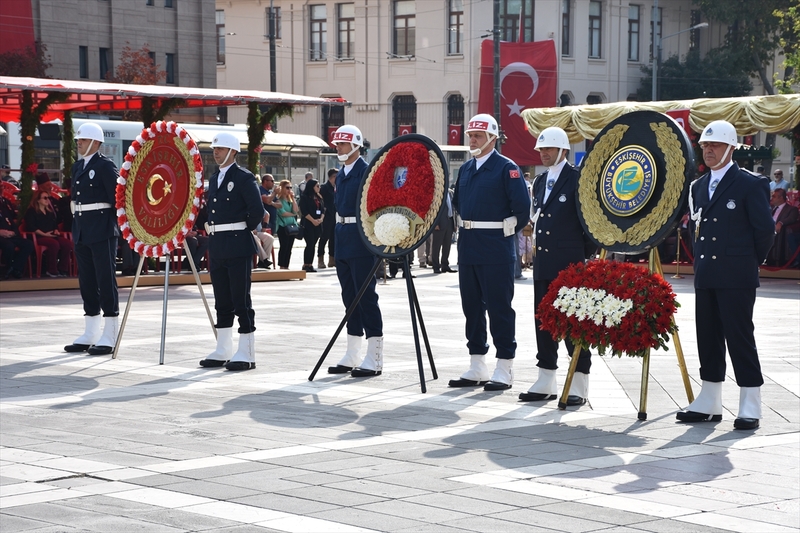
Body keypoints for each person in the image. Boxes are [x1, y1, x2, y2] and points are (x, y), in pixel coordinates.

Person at [677, 120, 775, 430]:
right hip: (707, 274)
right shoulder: (697, 186)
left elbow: (765, 231)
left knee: (740, 338)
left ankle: (750, 402)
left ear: (731, 148)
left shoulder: (750, 183)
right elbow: (697, 230)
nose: (708, 150)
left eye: (715, 145)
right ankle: (710, 399)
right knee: (708, 338)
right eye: (705, 145)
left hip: (737, 275)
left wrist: (748, 262)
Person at [448, 114, 531, 391]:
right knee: (471, 307)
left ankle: (504, 366)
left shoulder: (507, 168)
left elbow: (521, 210)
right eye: (470, 135)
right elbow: (459, 204)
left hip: (495, 249)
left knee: (499, 309)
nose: (472, 139)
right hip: (469, 248)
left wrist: (502, 232)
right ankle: (477, 364)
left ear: (493, 139)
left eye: (478, 136)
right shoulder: (467, 169)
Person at [519, 126, 595, 405]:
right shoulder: (539, 182)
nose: (543, 153)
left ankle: (578, 382)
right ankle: (546, 377)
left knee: (574, 324)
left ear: (563, 150)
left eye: (548, 149)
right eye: (541, 149)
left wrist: (581, 257)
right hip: (543, 263)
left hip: (569, 264)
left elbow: (589, 225)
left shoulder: (577, 179)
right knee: (544, 322)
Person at [198, 132, 265, 371]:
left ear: (233, 152)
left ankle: (246, 352)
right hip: (217, 245)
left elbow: (256, 211)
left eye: (221, 148)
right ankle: (223, 348)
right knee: (222, 299)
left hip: (237, 244)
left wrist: (240, 228)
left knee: (241, 299)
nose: (216, 152)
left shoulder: (243, 177)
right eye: (215, 148)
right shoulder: (215, 178)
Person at [326, 124, 385, 378]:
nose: (338, 147)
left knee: (366, 298)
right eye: (337, 144)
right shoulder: (341, 173)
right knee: (349, 297)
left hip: (361, 241)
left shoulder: (366, 171)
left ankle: (374, 354)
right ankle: (352, 351)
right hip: (343, 239)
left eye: (342, 144)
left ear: (356, 146)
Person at [62, 123, 120, 355]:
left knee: (105, 279)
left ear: (96, 143)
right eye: (78, 140)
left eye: (83, 140)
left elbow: (117, 199)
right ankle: (91, 331)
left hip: (102, 228)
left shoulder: (105, 166)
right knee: (86, 280)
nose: (79, 143)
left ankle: (110, 332)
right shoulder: (78, 166)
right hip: (83, 228)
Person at [24, 189, 74, 277]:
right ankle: (52, 270)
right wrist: (44, 234)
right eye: (45, 198)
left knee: (67, 243)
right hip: (39, 236)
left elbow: (55, 225)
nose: (48, 200)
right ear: (38, 200)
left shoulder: (49, 212)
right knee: (54, 244)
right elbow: (31, 227)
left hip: (51, 235)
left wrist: (56, 230)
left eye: (48, 198)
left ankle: (63, 269)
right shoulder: (31, 212)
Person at [0, 195, 34, 279]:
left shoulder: (4, 211)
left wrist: (13, 232)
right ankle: (9, 268)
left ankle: (14, 268)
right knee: (9, 246)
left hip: (11, 235)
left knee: (28, 244)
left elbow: (13, 224)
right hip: (1, 237)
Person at [767, 188, 799, 265]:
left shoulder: (791, 209)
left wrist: (780, 223)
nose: (772, 198)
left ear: (781, 198)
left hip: (778, 231)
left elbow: (791, 218)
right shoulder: (769, 208)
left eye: (774, 196)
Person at [299, 178, 325, 272]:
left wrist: (321, 219)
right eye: (317, 186)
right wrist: (313, 220)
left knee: (313, 244)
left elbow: (323, 210)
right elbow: (304, 211)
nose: (319, 188)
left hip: (318, 224)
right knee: (309, 244)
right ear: (312, 187)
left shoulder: (319, 197)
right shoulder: (305, 197)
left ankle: (310, 264)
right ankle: (306, 264)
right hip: (308, 224)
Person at [274, 179, 300, 269]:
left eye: (290, 188)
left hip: (292, 226)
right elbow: (283, 213)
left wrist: (293, 198)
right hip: (283, 226)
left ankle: (286, 265)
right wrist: (293, 214)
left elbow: (296, 210)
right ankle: (281, 265)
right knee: (284, 246)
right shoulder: (279, 200)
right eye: (287, 187)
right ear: (282, 188)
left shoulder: (290, 200)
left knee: (289, 248)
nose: (289, 189)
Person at [430, 187, 456, 274]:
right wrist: (435, 224)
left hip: (450, 222)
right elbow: (433, 209)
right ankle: (436, 266)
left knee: (447, 245)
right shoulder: (436, 192)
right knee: (436, 246)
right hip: (439, 224)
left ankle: (445, 265)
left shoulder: (450, 193)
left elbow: (453, 208)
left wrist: (454, 224)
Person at [318, 167, 337, 269]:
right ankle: (320, 259)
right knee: (324, 237)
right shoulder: (324, 188)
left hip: (335, 215)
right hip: (326, 216)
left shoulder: (337, 188)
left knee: (333, 238)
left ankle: (331, 259)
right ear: (332, 177)